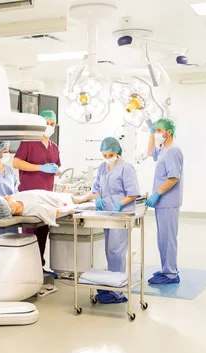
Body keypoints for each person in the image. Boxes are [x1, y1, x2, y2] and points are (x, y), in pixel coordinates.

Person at [75, 137, 140, 304]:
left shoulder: (126, 168)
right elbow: (96, 188)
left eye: (109, 154)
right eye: (103, 155)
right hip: (106, 214)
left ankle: (118, 292)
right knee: (109, 251)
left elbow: (133, 193)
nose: (106, 157)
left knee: (116, 252)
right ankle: (111, 284)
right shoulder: (103, 167)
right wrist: (90, 198)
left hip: (121, 214)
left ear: (117, 152)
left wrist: (120, 204)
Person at [13, 109, 62, 270]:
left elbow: (57, 168)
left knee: (43, 233)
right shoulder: (29, 142)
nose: (49, 126)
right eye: (46, 123)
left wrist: (56, 170)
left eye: (52, 124)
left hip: (46, 197)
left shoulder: (54, 147)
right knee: (30, 235)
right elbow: (16, 163)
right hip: (29, 197)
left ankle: (38, 267)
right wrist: (40, 167)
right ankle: (27, 269)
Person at [145, 118, 184, 285]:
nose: (157, 134)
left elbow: (174, 177)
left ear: (169, 132)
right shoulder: (163, 149)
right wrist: (151, 133)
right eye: (156, 131)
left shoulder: (173, 150)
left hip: (168, 201)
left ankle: (171, 274)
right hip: (162, 203)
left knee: (168, 238)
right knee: (163, 238)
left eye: (159, 131)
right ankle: (166, 269)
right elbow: (149, 152)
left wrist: (157, 194)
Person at [0, 190, 77, 227]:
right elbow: (56, 213)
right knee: (80, 199)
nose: (7, 196)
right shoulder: (34, 208)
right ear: (12, 210)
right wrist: (71, 209)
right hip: (64, 200)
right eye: (6, 199)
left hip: (55, 195)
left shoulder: (14, 198)